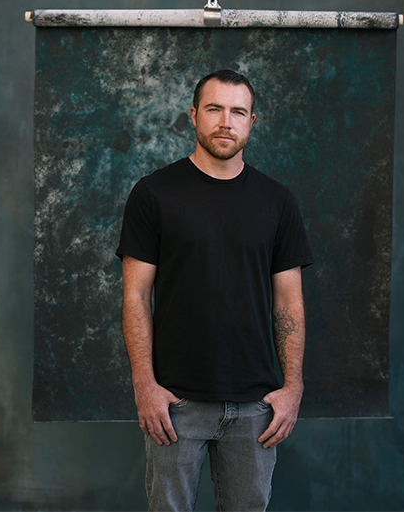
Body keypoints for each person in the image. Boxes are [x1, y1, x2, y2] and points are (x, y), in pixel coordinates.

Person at [116, 69, 312, 511]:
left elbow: (289, 302)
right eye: (214, 109)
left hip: (256, 404)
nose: (226, 121)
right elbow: (135, 297)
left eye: (238, 112)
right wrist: (145, 385)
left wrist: (293, 387)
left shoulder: (277, 201)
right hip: (175, 402)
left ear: (251, 121)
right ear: (193, 116)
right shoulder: (153, 194)